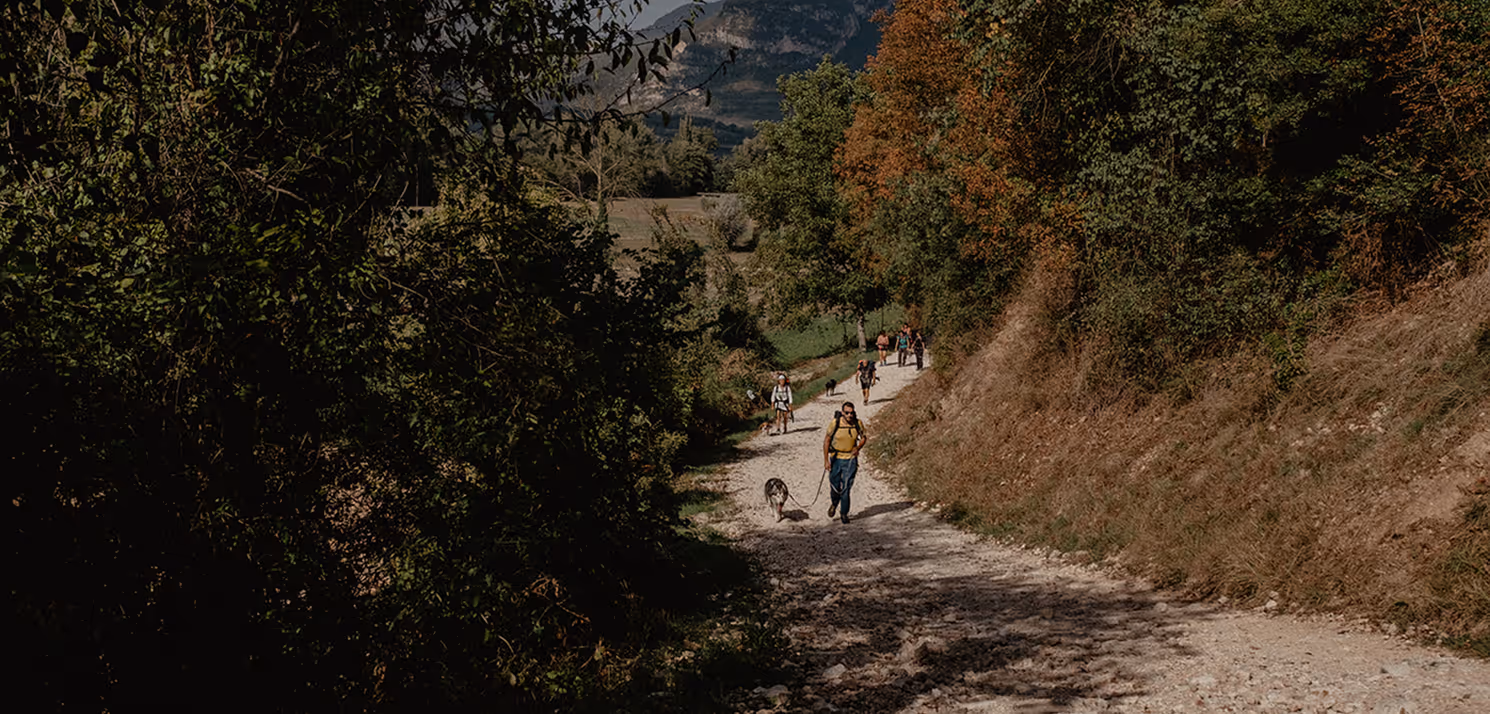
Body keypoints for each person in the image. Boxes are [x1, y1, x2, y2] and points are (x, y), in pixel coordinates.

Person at [822, 401, 867, 524]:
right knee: (835, 486)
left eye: (851, 413)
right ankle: (834, 503)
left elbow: (864, 437)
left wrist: (858, 448)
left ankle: (844, 513)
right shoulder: (835, 424)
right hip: (836, 458)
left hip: (850, 459)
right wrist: (826, 461)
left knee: (846, 487)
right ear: (842, 413)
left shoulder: (858, 424)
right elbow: (826, 441)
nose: (849, 415)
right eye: (847, 413)